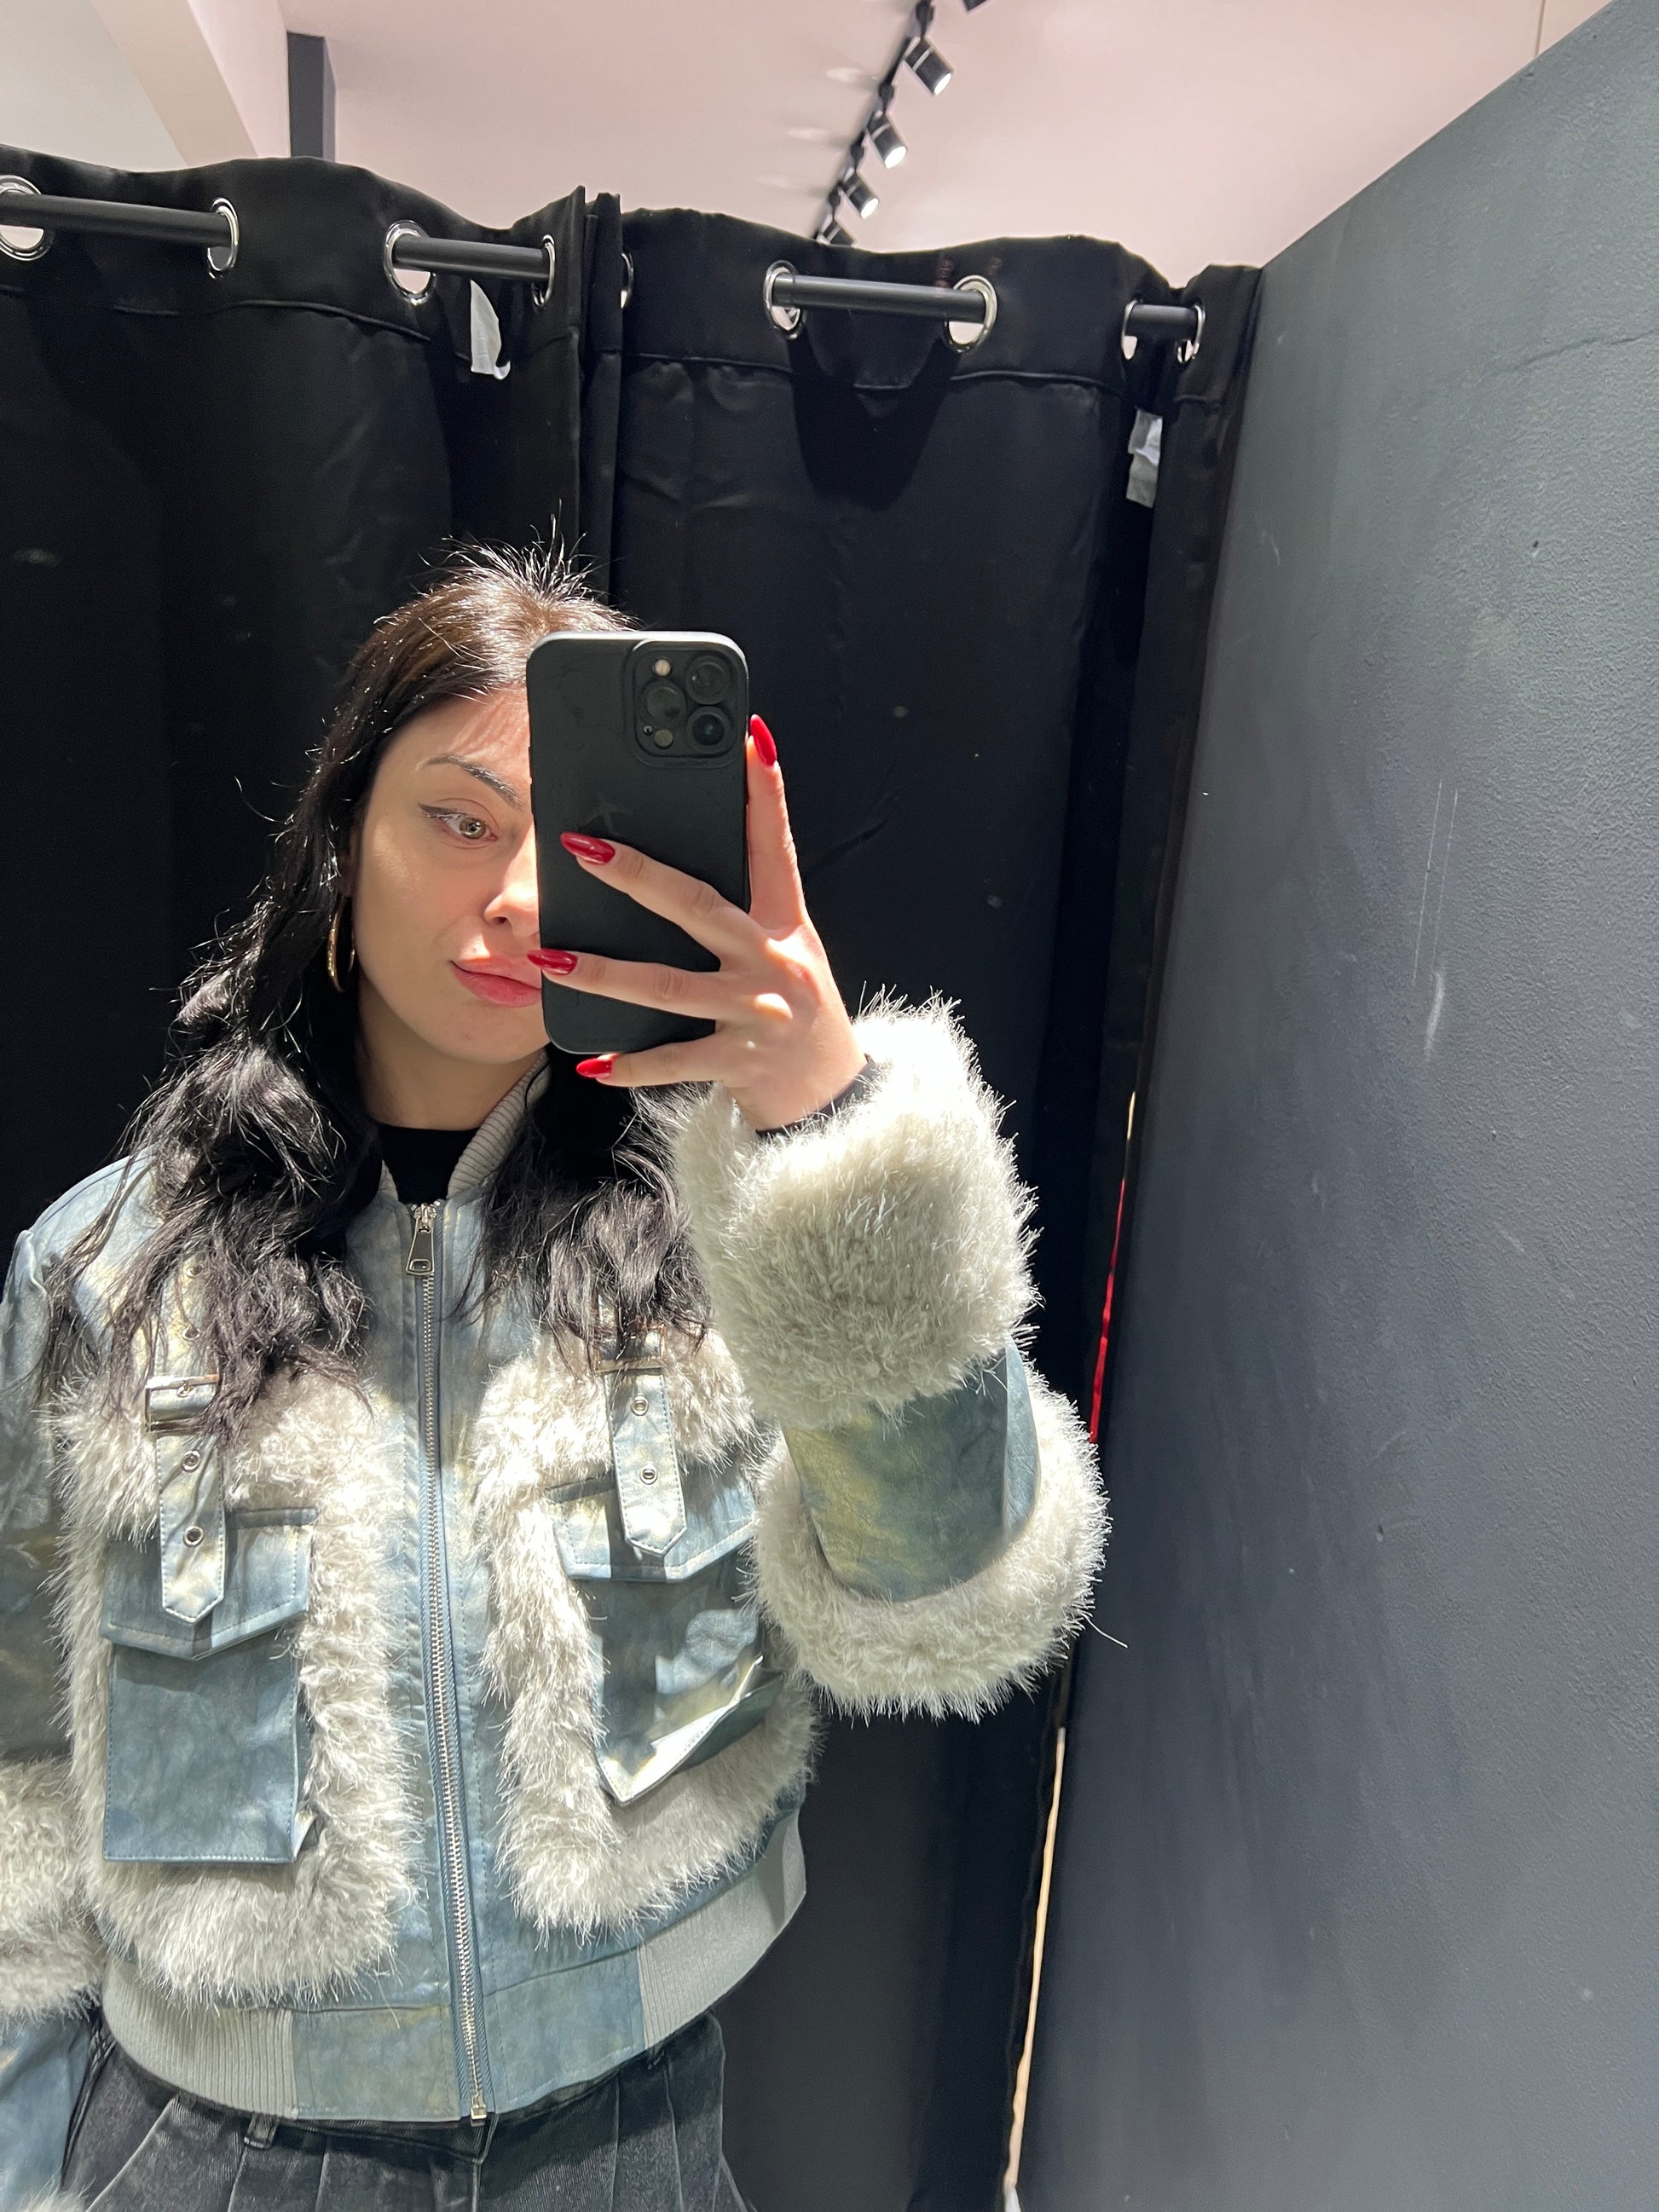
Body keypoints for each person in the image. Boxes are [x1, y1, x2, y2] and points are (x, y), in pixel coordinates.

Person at [0, 548, 1107, 2211]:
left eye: (578, 844)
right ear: (340, 841)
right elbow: (18, 1747)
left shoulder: (741, 1247)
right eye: (458, 821)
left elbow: (951, 1581)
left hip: (622, 2138)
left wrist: (823, 1124)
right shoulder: (108, 1271)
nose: (517, 895)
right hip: (216, 2153)